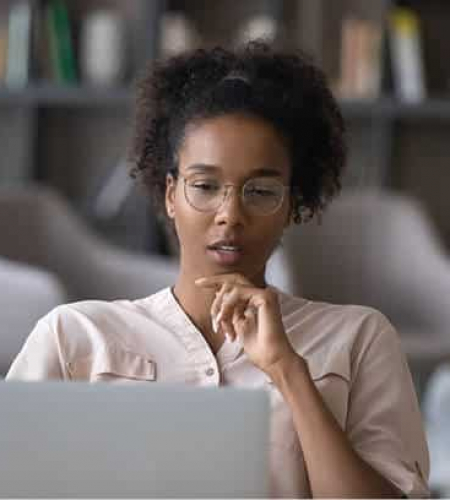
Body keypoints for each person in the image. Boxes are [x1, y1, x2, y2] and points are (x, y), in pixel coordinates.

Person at [7, 41, 429, 498]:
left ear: (292, 204)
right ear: (171, 195)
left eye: (261, 191)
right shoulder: (75, 336)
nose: (230, 213)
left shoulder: (359, 339)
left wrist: (287, 369)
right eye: (205, 186)